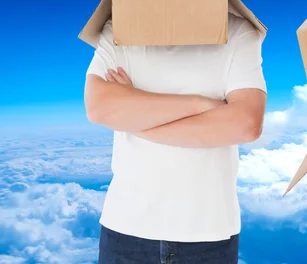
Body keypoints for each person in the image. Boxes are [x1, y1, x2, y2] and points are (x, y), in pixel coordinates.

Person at [84, 14, 267, 264]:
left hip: (209, 235)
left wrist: (138, 121)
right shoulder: (120, 29)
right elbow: (99, 108)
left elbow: (246, 125)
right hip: (126, 230)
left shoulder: (237, 31)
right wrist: (202, 103)